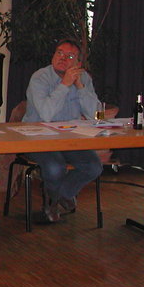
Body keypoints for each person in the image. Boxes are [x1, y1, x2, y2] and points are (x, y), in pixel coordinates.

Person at [23, 39, 104, 223]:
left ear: (78, 63)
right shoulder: (40, 78)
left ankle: (58, 197)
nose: (62, 58)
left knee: (93, 166)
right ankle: (58, 200)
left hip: (69, 138)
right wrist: (64, 85)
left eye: (70, 56)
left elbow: (96, 115)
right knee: (55, 167)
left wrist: (80, 86)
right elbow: (46, 115)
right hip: (37, 137)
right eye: (59, 53)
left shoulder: (84, 78)